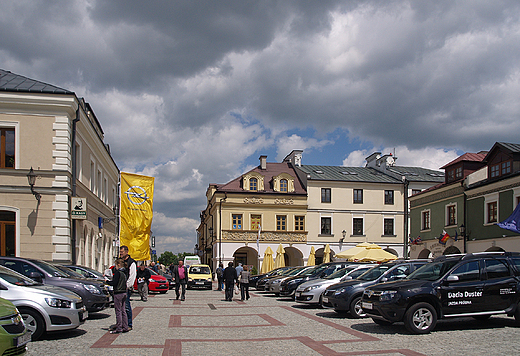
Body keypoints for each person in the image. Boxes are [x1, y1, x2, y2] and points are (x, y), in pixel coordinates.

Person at [106, 259, 129, 334]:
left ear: (118, 265)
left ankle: (119, 328)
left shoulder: (118, 273)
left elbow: (114, 283)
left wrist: (107, 282)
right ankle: (125, 327)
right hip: (124, 292)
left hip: (118, 293)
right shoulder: (124, 272)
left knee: (118, 311)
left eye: (115, 265)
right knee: (123, 311)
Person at [119, 245, 136, 330]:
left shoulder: (131, 262)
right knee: (119, 307)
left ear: (127, 252)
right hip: (119, 288)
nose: (121, 254)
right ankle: (121, 323)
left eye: (122, 252)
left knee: (126, 306)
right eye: (120, 252)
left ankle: (129, 324)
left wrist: (127, 286)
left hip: (125, 288)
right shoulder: (120, 261)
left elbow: (132, 276)